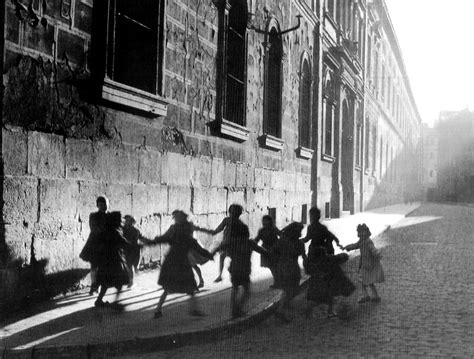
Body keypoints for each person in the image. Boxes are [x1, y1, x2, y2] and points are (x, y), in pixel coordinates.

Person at [148, 210, 214, 318]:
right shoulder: (181, 231)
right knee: (182, 287)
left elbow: (162, 238)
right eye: (176, 217)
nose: (177, 219)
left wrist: (151, 242)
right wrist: (208, 255)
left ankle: (158, 310)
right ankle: (160, 309)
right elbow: (195, 245)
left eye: (178, 217)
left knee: (179, 287)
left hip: (175, 262)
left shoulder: (177, 229)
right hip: (178, 262)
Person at [212, 208, 267, 319]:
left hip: (234, 269)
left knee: (235, 289)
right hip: (245, 269)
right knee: (246, 290)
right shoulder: (249, 242)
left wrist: (209, 254)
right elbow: (262, 251)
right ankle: (238, 309)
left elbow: (218, 249)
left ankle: (234, 311)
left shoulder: (231, 242)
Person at [305, 246, 355, 318]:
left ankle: (331, 311)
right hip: (338, 281)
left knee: (331, 299)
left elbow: (311, 272)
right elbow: (344, 256)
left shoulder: (317, 264)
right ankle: (342, 311)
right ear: (324, 253)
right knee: (340, 297)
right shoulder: (331, 258)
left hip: (328, 285)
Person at [94, 211, 131, 311]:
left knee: (105, 282)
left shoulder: (106, 230)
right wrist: (136, 246)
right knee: (119, 282)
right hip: (115, 260)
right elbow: (124, 243)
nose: (122, 221)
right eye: (120, 220)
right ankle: (116, 302)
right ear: (116, 221)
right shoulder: (116, 232)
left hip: (105, 261)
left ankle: (99, 300)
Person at [271, 222, 306, 322]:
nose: (300, 233)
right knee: (290, 290)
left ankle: (282, 309)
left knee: (289, 289)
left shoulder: (284, 241)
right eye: (299, 231)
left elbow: (273, 251)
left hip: (285, 267)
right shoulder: (298, 243)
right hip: (290, 268)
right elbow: (304, 257)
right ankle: (281, 310)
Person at [344, 223, 384, 303]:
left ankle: (366, 296)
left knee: (361, 280)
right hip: (365, 265)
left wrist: (377, 254)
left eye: (362, 232)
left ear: (366, 232)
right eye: (359, 232)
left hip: (367, 265)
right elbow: (355, 245)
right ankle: (374, 296)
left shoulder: (368, 241)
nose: (360, 234)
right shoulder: (362, 241)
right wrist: (347, 247)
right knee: (368, 281)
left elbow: (373, 249)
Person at [209, 204, 246, 283]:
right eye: (232, 212)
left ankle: (234, 275)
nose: (232, 214)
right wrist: (215, 232)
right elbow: (220, 227)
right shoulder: (227, 220)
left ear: (238, 214)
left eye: (234, 213)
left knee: (232, 260)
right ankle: (220, 275)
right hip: (226, 242)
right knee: (222, 257)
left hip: (234, 244)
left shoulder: (240, 224)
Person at [79, 196, 109, 295]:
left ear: (107, 204)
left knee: (104, 267)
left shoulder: (110, 216)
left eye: (103, 204)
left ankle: (99, 286)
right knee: (94, 266)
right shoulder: (93, 216)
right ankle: (94, 286)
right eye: (99, 205)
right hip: (95, 243)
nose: (102, 207)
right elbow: (94, 228)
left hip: (107, 244)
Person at [123, 215, 153, 287]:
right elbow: (142, 238)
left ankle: (131, 281)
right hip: (132, 250)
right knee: (130, 266)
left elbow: (141, 238)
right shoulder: (134, 231)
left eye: (128, 221)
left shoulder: (127, 230)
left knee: (130, 266)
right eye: (126, 221)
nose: (127, 222)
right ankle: (131, 281)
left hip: (130, 250)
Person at [254, 215, 280, 288]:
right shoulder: (261, 230)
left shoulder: (274, 229)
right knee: (272, 266)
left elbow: (281, 236)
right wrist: (252, 243)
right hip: (266, 250)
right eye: (263, 221)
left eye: (266, 220)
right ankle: (277, 281)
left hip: (275, 250)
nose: (264, 222)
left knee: (274, 266)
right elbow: (257, 239)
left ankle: (277, 282)